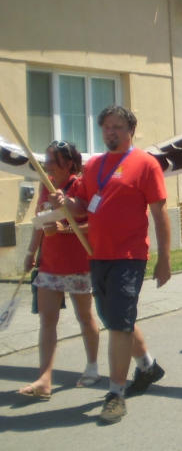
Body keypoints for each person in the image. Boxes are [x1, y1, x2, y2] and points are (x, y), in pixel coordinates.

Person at [51, 105, 171, 424]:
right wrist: (66, 204)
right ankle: (148, 366)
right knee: (115, 318)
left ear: (131, 130)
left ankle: (115, 394)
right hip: (97, 254)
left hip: (129, 257)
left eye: (116, 126)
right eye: (105, 127)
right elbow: (82, 205)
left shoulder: (145, 164)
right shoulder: (94, 165)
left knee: (118, 324)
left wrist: (165, 260)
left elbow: (159, 214)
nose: (110, 132)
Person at [17, 141, 100, 401]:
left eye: (52, 160)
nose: (47, 164)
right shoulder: (45, 184)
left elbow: (92, 221)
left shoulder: (80, 184)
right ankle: (44, 380)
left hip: (78, 264)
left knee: (85, 317)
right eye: (47, 159)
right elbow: (39, 222)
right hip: (50, 264)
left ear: (69, 163)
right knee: (47, 321)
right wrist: (31, 254)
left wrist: (65, 228)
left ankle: (92, 366)